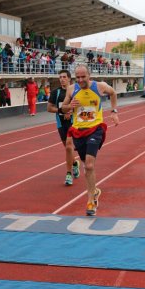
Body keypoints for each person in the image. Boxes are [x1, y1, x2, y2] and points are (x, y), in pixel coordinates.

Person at [60, 64, 119, 216]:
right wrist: (69, 106)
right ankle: (95, 191)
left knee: (90, 165)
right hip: (78, 131)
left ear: (89, 75)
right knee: (86, 166)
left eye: (83, 77)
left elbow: (113, 93)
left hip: (95, 129)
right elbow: (64, 108)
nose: (80, 80)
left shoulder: (100, 86)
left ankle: (90, 200)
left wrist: (114, 111)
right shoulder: (72, 89)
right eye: (77, 77)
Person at [47, 70, 80, 186]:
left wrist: (70, 111)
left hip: (73, 122)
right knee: (68, 149)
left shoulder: (75, 91)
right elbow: (49, 108)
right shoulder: (56, 93)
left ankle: (68, 174)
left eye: (64, 77)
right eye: (60, 77)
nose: (62, 79)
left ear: (69, 79)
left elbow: (81, 106)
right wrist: (61, 110)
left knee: (69, 147)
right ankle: (75, 163)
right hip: (61, 123)